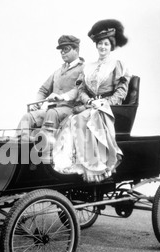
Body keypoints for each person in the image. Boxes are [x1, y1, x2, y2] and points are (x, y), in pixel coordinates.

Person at [52, 19, 132, 182]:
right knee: (72, 119)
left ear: (111, 46)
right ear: (96, 46)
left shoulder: (117, 65)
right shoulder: (88, 66)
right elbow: (81, 90)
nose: (103, 47)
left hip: (107, 108)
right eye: (100, 44)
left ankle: (93, 168)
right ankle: (72, 165)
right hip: (90, 105)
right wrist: (89, 102)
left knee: (82, 118)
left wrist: (102, 103)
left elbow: (121, 92)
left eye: (106, 44)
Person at [17, 35, 84, 140]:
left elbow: (79, 89)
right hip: (53, 111)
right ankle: (19, 147)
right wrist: (38, 103)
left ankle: (43, 146)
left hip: (71, 110)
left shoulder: (84, 69)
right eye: (61, 50)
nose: (62, 52)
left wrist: (62, 97)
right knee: (28, 117)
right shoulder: (58, 72)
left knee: (51, 113)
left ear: (76, 49)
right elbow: (43, 90)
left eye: (66, 49)